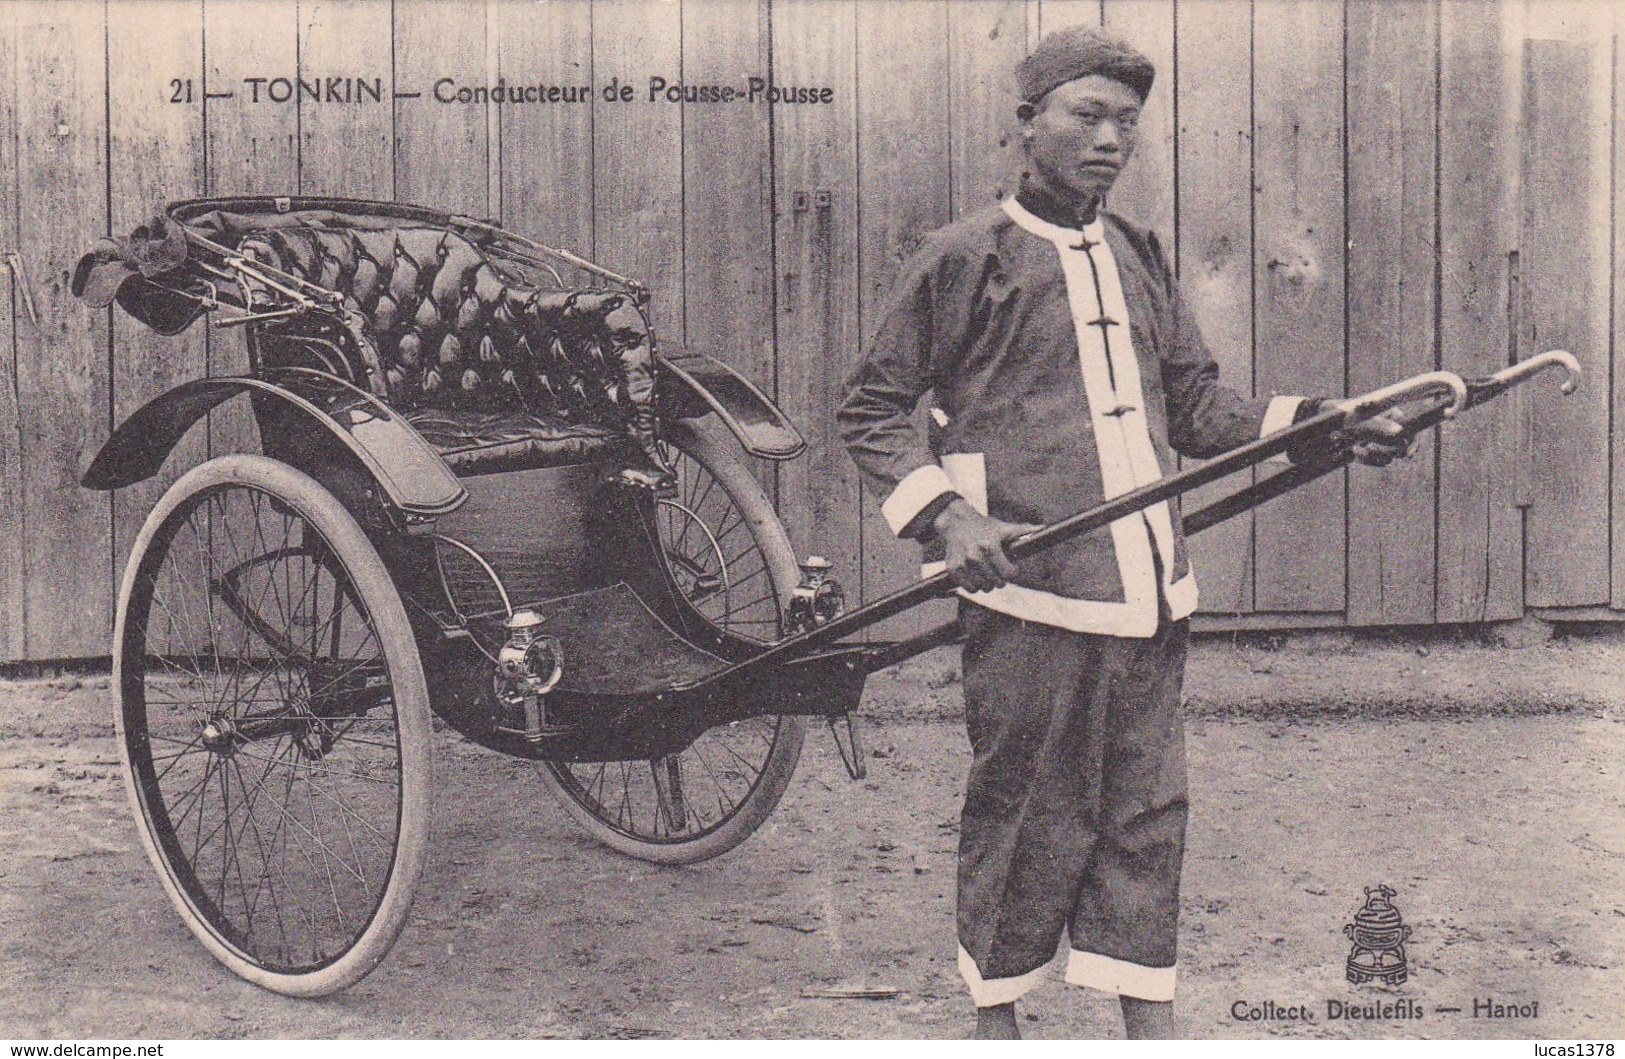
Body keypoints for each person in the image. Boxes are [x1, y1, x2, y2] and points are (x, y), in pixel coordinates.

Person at [836, 25, 1409, 1040]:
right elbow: (872, 409)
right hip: (1030, 586)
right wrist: (946, 514)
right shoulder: (966, 257)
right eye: (1085, 115)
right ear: (1027, 124)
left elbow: (1194, 407)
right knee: (1024, 809)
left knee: (1146, 812)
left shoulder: (1135, 252)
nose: (1109, 139)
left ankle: (1148, 1018)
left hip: (1149, 588)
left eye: (1125, 122)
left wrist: (1322, 424)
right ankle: (996, 1015)